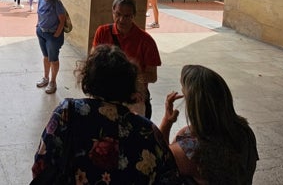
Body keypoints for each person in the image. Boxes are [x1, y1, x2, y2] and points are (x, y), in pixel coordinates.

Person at [31, 44, 180, 184]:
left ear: (88, 78)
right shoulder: (146, 130)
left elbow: (41, 165)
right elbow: (167, 175)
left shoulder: (68, 113)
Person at [160, 65, 258, 184]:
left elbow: (159, 158)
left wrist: (167, 122)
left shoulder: (190, 150)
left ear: (194, 106)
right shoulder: (245, 131)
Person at [91, 0, 161, 119]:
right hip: (106, 94)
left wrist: (127, 78)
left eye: (127, 16)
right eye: (118, 14)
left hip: (132, 98)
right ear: (112, 12)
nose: (122, 20)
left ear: (134, 15)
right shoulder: (102, 32)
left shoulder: (146, 41)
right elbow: (93, 62)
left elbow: (152, 76)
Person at [34, 0, 66, 95]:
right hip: (41, 32)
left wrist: (57, 34)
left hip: (52, 35)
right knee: (46, 57)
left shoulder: (56, 3)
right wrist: (38, 25)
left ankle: (53, 82)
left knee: (53, 59)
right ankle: (45, 78)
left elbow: (62, 20)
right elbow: (39, 13)